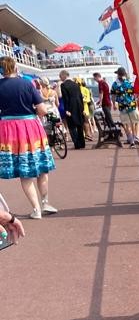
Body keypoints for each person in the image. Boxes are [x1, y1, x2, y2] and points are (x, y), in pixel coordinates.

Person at [0, 57, 57, 218]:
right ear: (15, 67)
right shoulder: (26, 84)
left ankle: (36, 209)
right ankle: (45, 202)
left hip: (9, 130)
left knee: (25, 172)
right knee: (41, 166)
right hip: (30, 127)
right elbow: (42, 110)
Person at [111, 67, 139, 146]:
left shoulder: (114, 85)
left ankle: (131, 140)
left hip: (122, 107)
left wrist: (114, 104)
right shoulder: (129, 83)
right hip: (131, 105)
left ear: (118, 75)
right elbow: (135, 94)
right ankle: (136, 137)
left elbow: (113, 96)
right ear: (125, 74)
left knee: (126, 124)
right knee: (137, 121)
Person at [59, 69, 86, 149]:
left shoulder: (63, 85)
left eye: (60, 76)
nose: (60, 78)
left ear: (63, 76)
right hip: (79, 106)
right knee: (80, 125)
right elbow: (80, 96)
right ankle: (82, 143)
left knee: (72, 126)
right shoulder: (76, 84)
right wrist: (82, 107)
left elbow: (65, 98)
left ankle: (77, 144)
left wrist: (67, 109)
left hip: (70, 106)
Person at [92, 71, 121, 145]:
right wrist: (100, 101)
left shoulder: (101, 83)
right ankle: (112, 133)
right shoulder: (104, 82)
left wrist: (100, 101)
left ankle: (116, 133)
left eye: (94, 78)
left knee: (109, 118)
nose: (94, 79)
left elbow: (101, 93)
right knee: (108, 119)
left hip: (105, 103)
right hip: (108, 102)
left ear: (97, 76)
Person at [76, 76, 97, 141]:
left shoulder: (85, 90)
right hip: (81, 108)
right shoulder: (77, 90)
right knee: (84, 122)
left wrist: (81, 100)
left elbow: (88, 99)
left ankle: (87, 134)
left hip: (84, 108)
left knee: (86, 122)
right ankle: (85, 135)